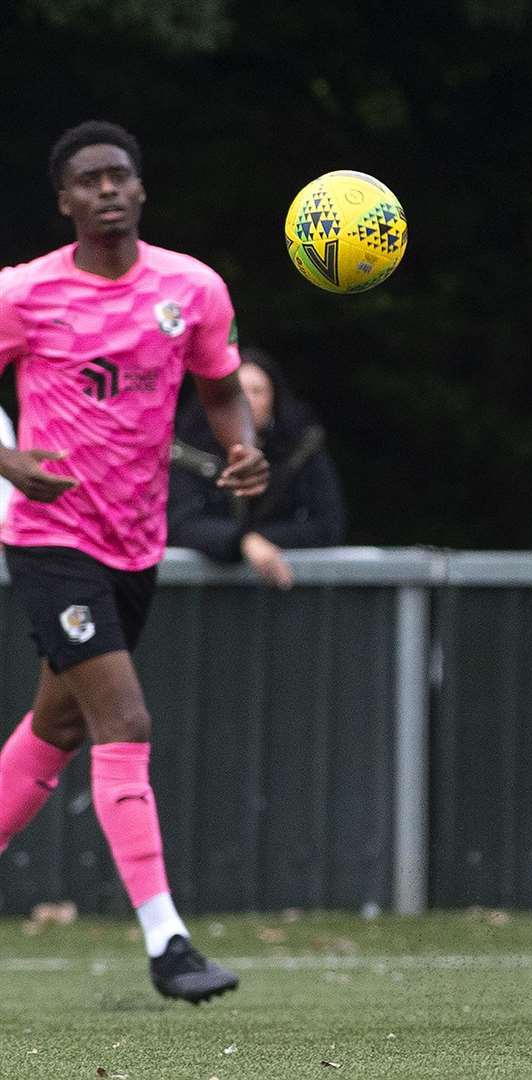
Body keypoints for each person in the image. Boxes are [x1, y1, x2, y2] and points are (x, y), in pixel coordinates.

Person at [0, 121, 268, 1003]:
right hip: (50, 537)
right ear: (66, 200)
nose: (107, 189)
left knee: (60, 728)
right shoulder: (25, 292)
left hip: (134, 541)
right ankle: (169, 944)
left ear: (141, 190)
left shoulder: (190, 289)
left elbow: (221, 387)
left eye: (121, 176)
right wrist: (9, 463)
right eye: (89, 179)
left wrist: (243, 451)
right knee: (124, 721)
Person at [169, 346, 348, 587]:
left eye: (257, 391)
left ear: (274, 399)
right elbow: (179, 523)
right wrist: (242, 542)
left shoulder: (303, 447)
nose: (246, 402)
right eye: (237, 392)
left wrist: (258, 542)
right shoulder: (186, 453)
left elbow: (327, 523)